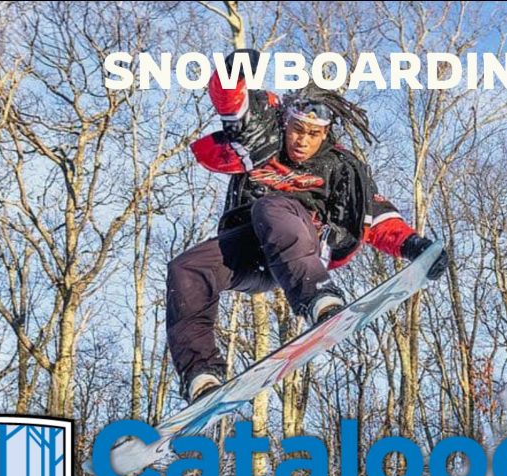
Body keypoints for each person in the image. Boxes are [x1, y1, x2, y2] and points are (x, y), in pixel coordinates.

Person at [166, 49, 450, 403]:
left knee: (272, 207)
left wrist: (414, 246)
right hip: (256, 255)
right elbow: (233, 106)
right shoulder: (264, 139)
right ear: (286, 123)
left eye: (312, 134)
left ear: (325, 134)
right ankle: (201, 374)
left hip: (304, 246)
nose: (302, 141)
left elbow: (373, 216)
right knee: (187, 269)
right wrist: (233, 71)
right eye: (297, 130)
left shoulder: (338, 168)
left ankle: (319, 298)